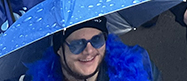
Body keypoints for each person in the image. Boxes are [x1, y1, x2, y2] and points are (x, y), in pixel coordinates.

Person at [24, 18, 161, 81]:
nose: (89, 50)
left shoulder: (141, 67)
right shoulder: (34, 79)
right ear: (59, 49)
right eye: (77, 44)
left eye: (96, 40)